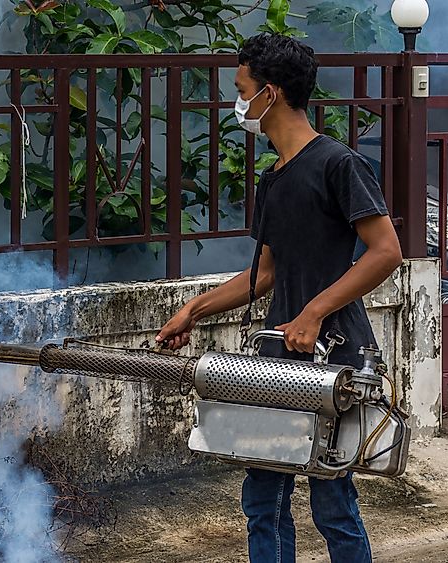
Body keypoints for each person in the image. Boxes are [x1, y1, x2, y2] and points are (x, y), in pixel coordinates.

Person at [155, 33, 403, 563]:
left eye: (241, 88)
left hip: (332, 355)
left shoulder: (339, 164)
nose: (236, 101)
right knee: (262, 500)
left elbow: (386, 252)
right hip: (276, 360)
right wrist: (192, 310)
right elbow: (265, 274)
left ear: (269, 93)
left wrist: (314, 311)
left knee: (331, 502)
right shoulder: (272, 179)